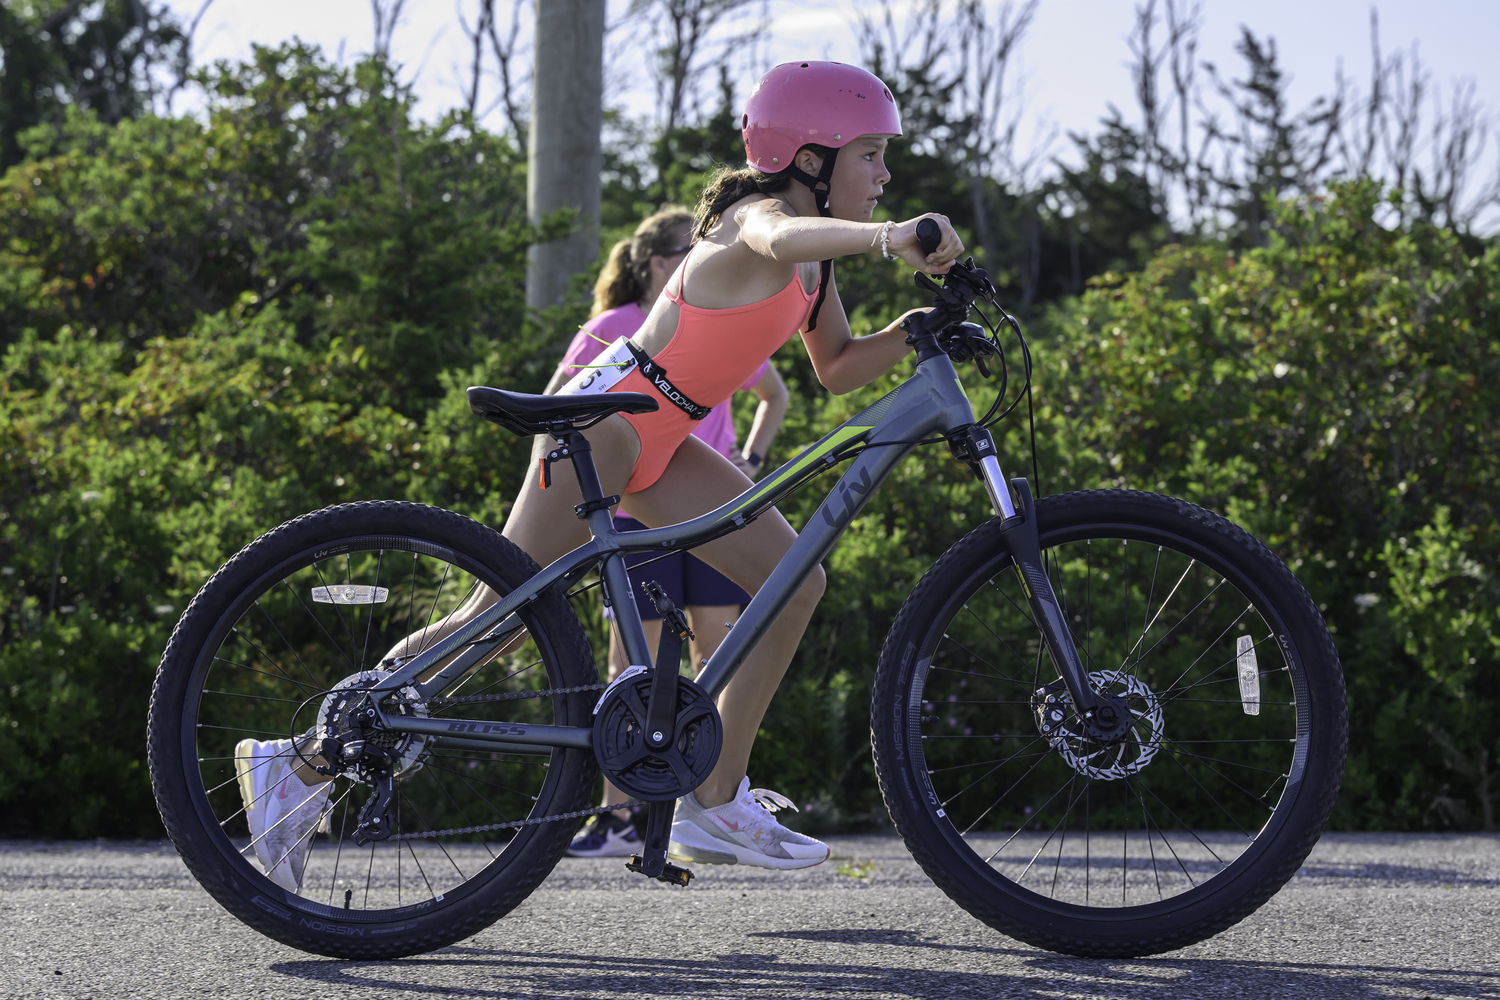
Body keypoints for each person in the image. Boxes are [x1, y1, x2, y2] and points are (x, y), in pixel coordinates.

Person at [241, 60, 963, 878]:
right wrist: (888, 237)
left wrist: (918, 326)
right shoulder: (755, 220)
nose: (885, 173)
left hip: (662, 438)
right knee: (500, 617)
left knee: (795, 579)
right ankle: (297, 765)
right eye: (869, 153)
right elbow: (779, 237)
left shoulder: (818, 265)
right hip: (603, 419)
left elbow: (835, 366)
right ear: (809, 159)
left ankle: (717, 800)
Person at [551, 208, 792, 858]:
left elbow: (775, 391)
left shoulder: (714, 311)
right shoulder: (615, 326)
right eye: (688, 250)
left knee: (717, 656)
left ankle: (707, 796)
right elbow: (559, 394)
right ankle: (617, 812)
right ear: (657, 263)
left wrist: (750, 459)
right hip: (635, 511)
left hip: (706, 507)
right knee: (632, 665)